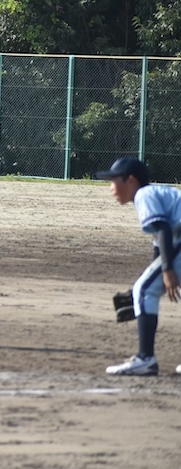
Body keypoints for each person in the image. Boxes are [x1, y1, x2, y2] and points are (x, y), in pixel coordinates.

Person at [98, 156, 181, 376]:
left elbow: (163, 229)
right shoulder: (156, 194)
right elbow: (160, 245)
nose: (111, 188)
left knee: (144, 290)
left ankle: (145, 358)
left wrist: (167, 271)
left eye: (114, 180)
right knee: (144, 287)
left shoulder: (144, 194)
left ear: (131, 180)